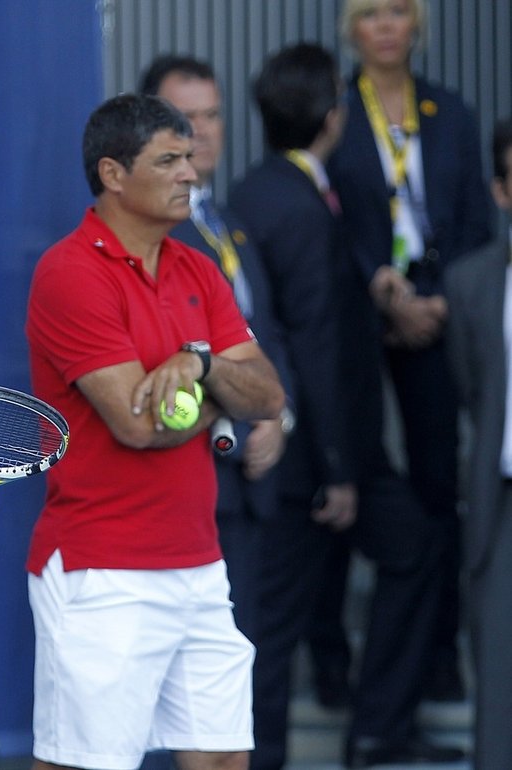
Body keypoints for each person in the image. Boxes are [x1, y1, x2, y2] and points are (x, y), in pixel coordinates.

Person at [25, 93, 285, 770]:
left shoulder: (199, 266)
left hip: (198, 562)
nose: (190, 173)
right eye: (168, 160)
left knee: (224, 759)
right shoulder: (69, 271)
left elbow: (267, 393)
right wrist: (219, 395)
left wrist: (195, 362)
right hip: (101, 569)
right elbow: (138, 425)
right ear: (113, 174)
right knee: (85, 765)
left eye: (190, 158)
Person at [228, 43, 460, 769]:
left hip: (309, 449)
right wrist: (338, 470)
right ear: (332, 118)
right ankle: (331, 740)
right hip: (316, 458)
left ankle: (371, 729)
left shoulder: (256, 191)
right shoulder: (298, 205)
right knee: (273, 623)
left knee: (395, 557)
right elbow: (317, 342)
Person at [328, 0, 492, 702]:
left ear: (417, 26)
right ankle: (338, 659)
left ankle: (440, 653)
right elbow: (326, 216)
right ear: (352, 31)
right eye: (371, 14)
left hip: (441, 305)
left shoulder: (449, 111)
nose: (387, 25)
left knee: (437, 480)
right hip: (360, 315)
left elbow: (480, 224)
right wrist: (380, 289)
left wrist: (443, 300)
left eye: (399, 11)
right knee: (347, 472)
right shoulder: (334, 111)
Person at [140, 55, 293, 645]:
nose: (201, 132)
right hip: (188, 485)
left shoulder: (226, 221)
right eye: (185, 117)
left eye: (212, 115)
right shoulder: (151, 233)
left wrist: (280, 413)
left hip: (254, 483)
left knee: (237, 675)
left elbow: (266, 334)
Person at [444, 117, 512, 770]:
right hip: (503, 499)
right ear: (501, 190)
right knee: (498, 670)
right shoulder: (470, 282)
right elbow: (472, 388)